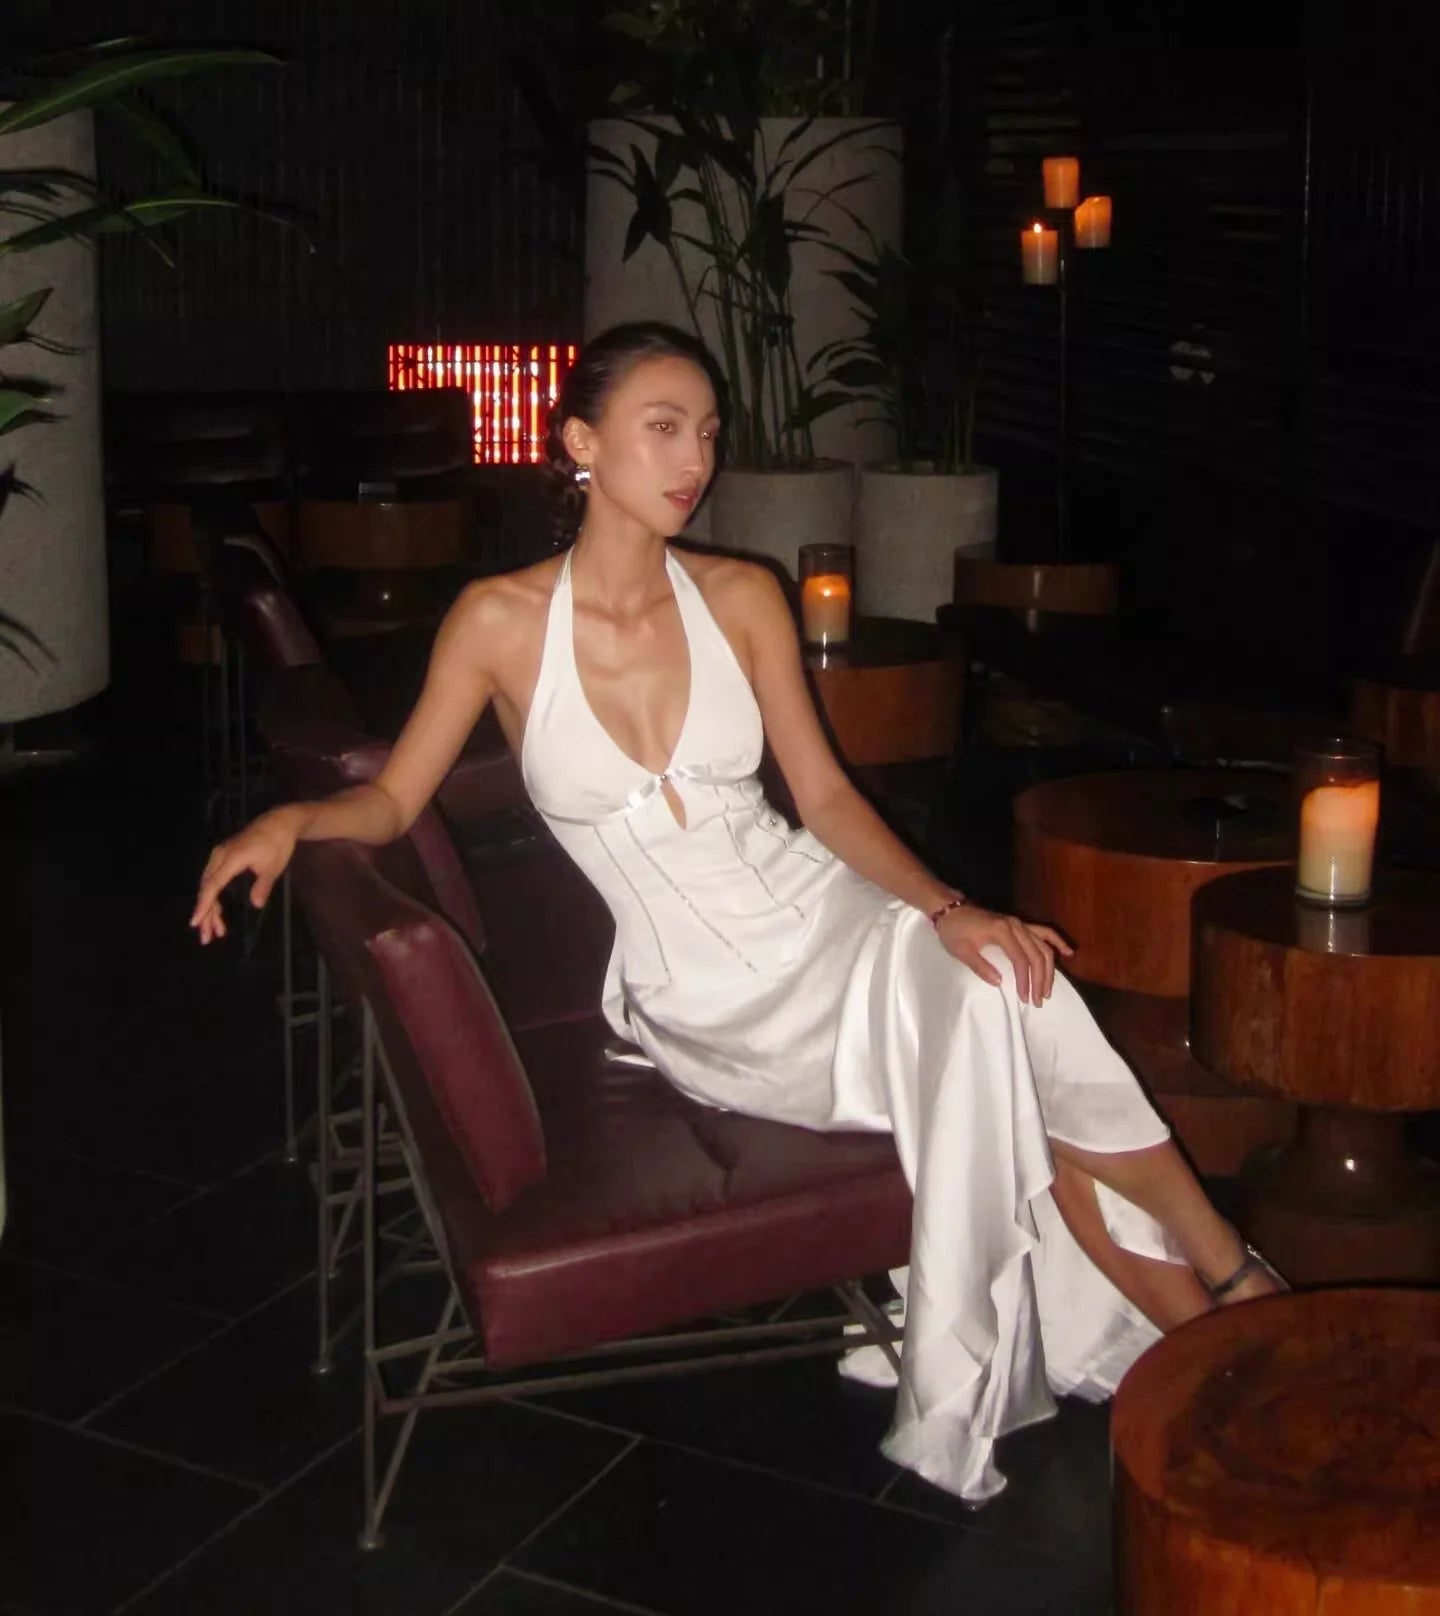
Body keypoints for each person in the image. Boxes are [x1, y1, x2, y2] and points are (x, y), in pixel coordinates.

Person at [191, 321, 1283, 1504]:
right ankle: (1224, 1307)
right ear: (579, 443)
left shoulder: (743, 594)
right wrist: (292, 819)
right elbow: (395, 800)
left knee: (1005, 990)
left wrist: (947, 910)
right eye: (663, 428)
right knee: (999, 1031)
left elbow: (825, 799)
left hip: (829, 918)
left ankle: (1211, 1307)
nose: (694, 460)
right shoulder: (497, 622)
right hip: (705, 997)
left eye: (707, 433)